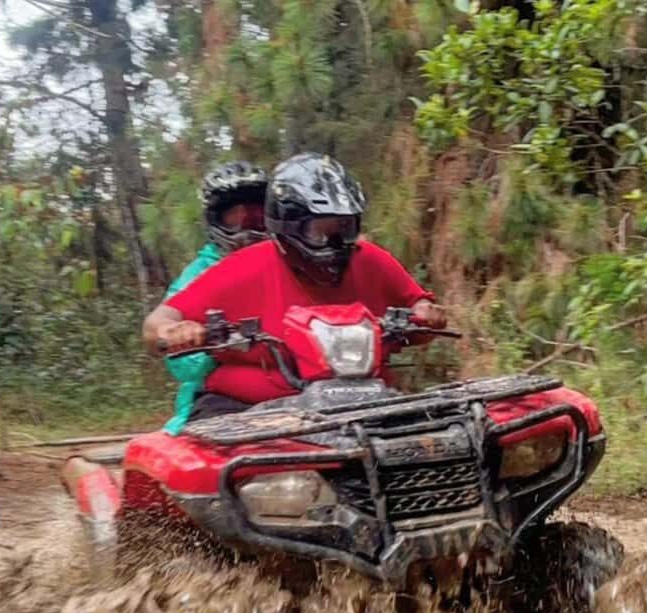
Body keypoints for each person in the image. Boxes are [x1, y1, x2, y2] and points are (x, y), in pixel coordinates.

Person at [143, 152, 446, 422]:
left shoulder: (369, 260)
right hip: (247, 406)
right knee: (213, 467)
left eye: (344, 228)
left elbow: (418, 304)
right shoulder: (242, 268)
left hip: (365, 398)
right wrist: (174, 331)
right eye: (320, 231)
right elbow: (157, 322)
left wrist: (424, 314)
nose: (334, 242)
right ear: (288, 228)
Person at [160, 160, 268, 434]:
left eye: (256, 214)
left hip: (298, 385)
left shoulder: (294, 262)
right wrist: (188, 335)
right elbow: (182, 363)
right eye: (236, 215)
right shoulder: (200, 275)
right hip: (223, 395)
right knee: (218, 457)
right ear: (216, 219)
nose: (247, 225)